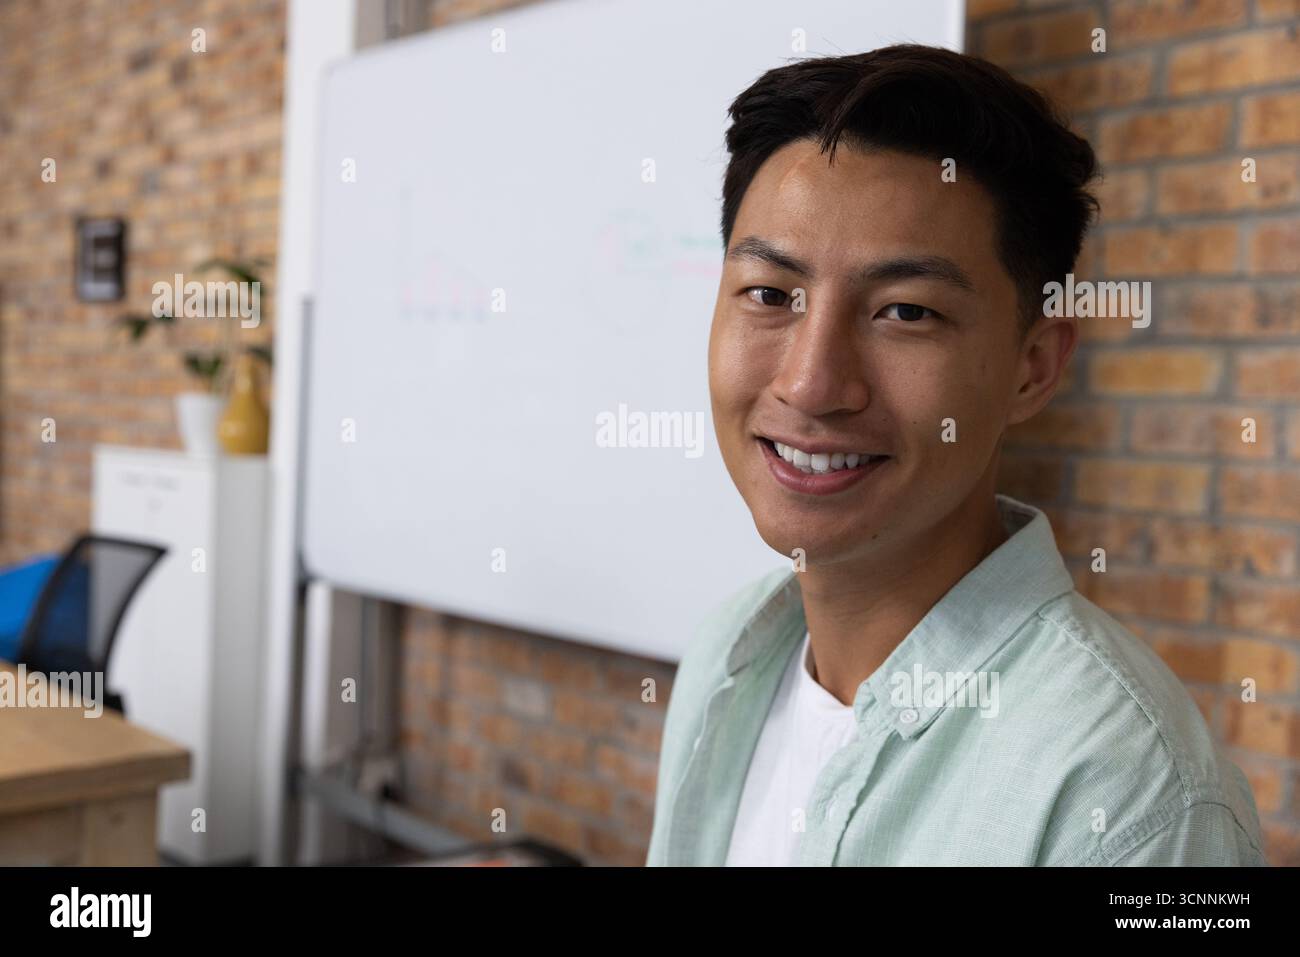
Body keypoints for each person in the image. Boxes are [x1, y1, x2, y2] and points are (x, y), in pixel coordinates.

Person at [646, 45, 1265, 866]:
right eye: (770, 295)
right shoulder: (730, 658)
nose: (811, 381)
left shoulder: (1136, 795)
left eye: (905, 312)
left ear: (1032, 366)